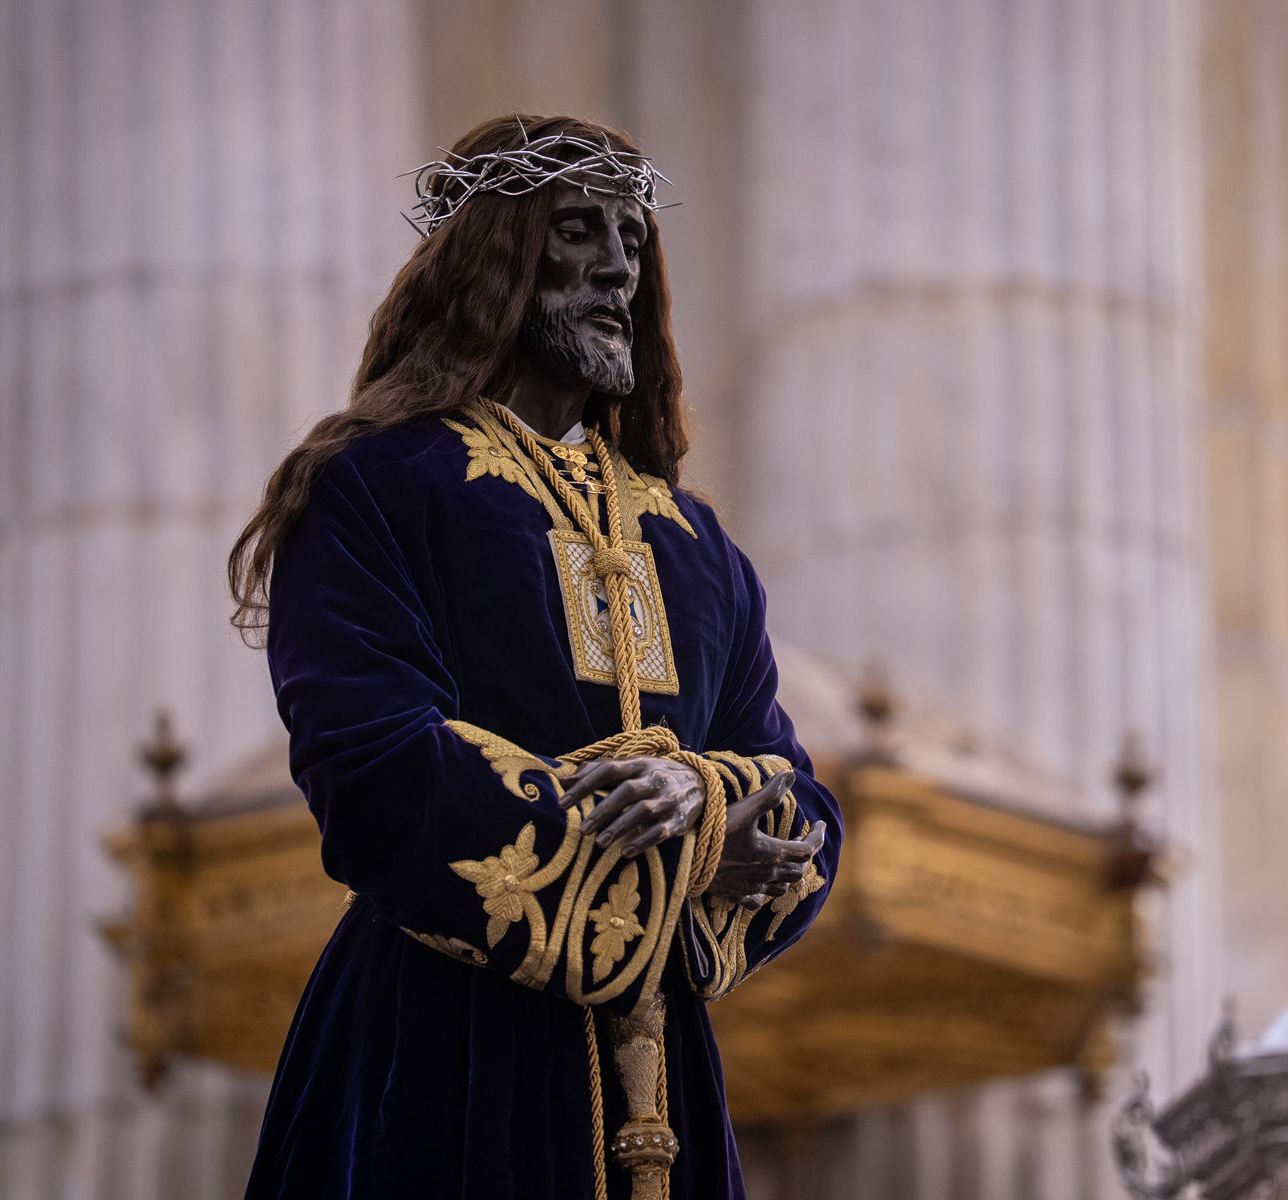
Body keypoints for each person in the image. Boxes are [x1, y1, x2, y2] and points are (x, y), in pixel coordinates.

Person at [227, 114, 839, 1200]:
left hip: (668, 1079)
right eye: (576, 232)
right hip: (439, 1040)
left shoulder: (700, 549)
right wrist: (678, 852)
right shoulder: (373, 487)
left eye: (632, 239)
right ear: (493, 259)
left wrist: (702, 799)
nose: (617, 265)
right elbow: (371, 766)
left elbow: (796, 798)